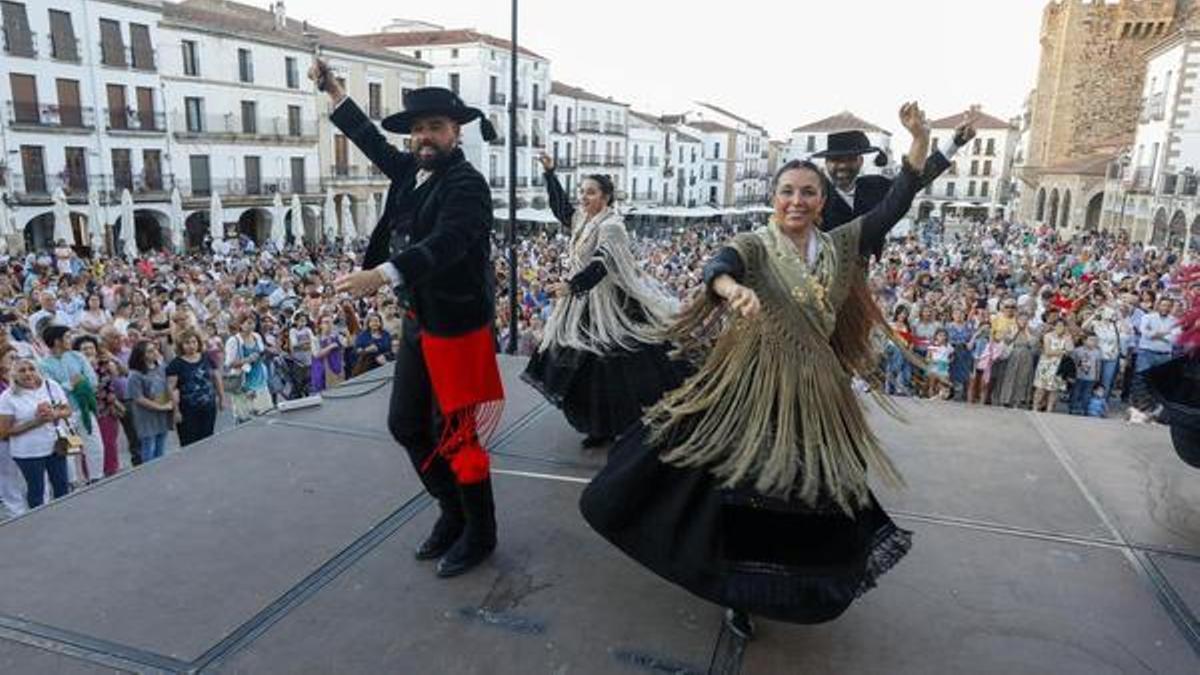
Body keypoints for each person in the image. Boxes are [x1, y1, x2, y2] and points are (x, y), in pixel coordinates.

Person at [581, 102, 931, 638]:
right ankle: (739, 594)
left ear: (820, 203)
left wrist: (920, 140)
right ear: (775, 199)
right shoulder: (757, 245)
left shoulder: (840, 245)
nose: (797, 199)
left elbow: (898, 202)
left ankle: (797, 582)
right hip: (753, 384)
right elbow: (718, 265)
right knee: (747, 487)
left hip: (817, 386)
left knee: (812, 487)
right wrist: (731, 289)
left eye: (807, 192)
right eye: (787, 191)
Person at [314, 59, 504, 578]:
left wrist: (383, 274)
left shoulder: (468, 185)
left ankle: (481, 533)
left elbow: (445, 245)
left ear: (454, 131)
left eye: (434, 127)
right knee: (406, 424)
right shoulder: (409, 172)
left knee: (459, 436)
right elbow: (371, 141)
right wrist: (336, 93)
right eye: (418, 128)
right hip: (422, 320)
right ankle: (452, 512)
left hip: (460, 325)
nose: (424, 136)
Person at [522, 154, 682, 448]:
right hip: (582, 301)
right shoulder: (584, 218)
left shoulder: (612, 226)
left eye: (591, 192)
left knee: (620, 365)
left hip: (610, 304)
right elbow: (561, 209)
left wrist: (572, 285)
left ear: (606, 197)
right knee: (583, 365)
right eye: (582, 191)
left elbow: (602, 262)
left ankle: (631, 420)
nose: (583, 197)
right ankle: (600, 425)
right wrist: (549, 173)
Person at [812, 110, 976, 257]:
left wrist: (955, 143)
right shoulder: (814, 197)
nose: (842, 165)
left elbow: (912, 182)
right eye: (835, 160)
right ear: (826, 163)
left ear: (860, 161)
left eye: (849, 159)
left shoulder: (875, 186)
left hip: (861, 278)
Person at [0, 356, 73, 508]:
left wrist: (55, 414)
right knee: (36, 492)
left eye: (31, 369)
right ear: (14, 375)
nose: (28, 373)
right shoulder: (7, 397)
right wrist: (36, 422)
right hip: (28, 453)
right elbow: (4, 432)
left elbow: (67, 410)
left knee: (62, 487)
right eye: (22, 370)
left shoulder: (50, 385)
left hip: (56, 445)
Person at [39, 325, 103, 484]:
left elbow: (92, 381)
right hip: (63, 415)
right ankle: (73, 484)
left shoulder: (77, 357)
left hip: (84, 409)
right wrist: (71, 384)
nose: (70, 340)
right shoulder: (44, 365)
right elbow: (52, 391)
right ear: (56, 341)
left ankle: (96, 478)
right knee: (70, 451)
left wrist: (70, 386)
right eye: (67, 337)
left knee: (94, 445)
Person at [167, 329, 224, 447]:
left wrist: (221, 398)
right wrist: (176, 411)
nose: (191, 346)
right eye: (187, 343)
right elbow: (171, 389)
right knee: (189, 442)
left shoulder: (206, 357)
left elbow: (216, 378)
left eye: (194, 342)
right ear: (181, 346)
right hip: (187, 409)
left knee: (207, 438)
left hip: (208, 406)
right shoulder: (175, 364)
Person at [127, 340, 172, 462]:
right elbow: (138, 398)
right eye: (150, 351)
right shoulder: (135, 374)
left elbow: (168, 385)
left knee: (160, 444)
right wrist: (160, 407)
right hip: (146, 415)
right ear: (141, 355)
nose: (155, 353)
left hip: (162, 411)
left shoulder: (161, 367)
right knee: (148, 446)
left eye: (155, 349)